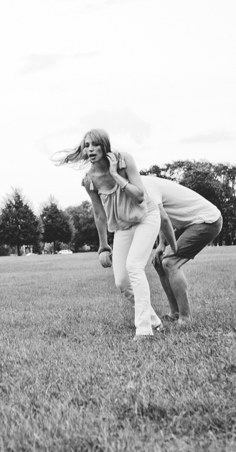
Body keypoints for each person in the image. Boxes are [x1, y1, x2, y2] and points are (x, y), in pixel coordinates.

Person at [55, 129, 164, 341]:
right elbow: (99, 214)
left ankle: (143, 331)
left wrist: (115, 174)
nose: (90, 149)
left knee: (134, 266)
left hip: (146, 217)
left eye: (94, 145)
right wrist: (103, 246)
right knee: (122, 282)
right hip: (123, 226)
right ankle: (155, 322)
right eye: (86, 146)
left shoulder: (124, 160)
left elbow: (140, 196)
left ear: (105, 146)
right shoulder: (90, 180)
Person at [141, 175, 222, 325]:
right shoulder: (138, 186)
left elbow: (164, 218)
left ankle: (185, 318)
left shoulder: (145, 185)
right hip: (189, 224)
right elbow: (162, 218)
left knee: (170, 262)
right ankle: (175, 313)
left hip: (207, 220)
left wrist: (169, 246)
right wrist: (161, 245)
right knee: (159, 262)